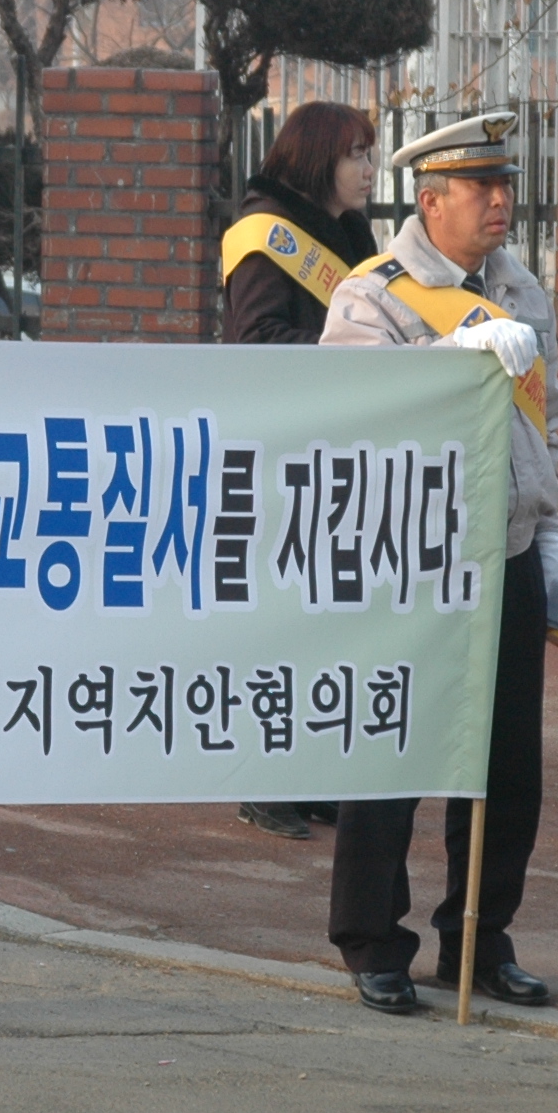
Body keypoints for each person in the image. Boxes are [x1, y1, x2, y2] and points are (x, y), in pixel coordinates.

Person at [319, 110, 558, 1016]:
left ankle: (480, 937)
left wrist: (551, 537)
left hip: (508, 548)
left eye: (506, 183)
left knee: (507, 764)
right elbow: (355, 416)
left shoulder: (520, 286)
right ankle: (373, 940)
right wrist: (454, 353)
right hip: (414, 557)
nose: (500, 200)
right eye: (481, 187)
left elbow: (541, 419)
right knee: (394, 750)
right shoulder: (373, 293)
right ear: (430, 199)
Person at [223, 101, 383, 840]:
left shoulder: (352, 233)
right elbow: (257, 339)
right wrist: (348, 355)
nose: (369, 169)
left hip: (339, 447)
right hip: (280, 448)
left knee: (330, 617)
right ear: (319, 158)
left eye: (372, 154)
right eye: (356, 154)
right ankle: (262, 777)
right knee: (283, 620)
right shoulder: (264, 233)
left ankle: (314, 770)